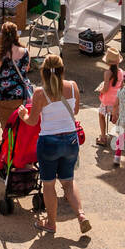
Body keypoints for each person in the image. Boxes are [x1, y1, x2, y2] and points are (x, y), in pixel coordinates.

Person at [22, 53, 91, 236]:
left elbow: (32, 121)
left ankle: (51, 223)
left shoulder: (39, 93)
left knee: (49, 184)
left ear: (43, 72)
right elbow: (74, 111)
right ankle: (81, 215)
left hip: (49, 142)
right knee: (68, 182)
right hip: (70, 139)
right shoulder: (72, 86)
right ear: (63, 70)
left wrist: (23, 115)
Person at [96, 48, 121, 147]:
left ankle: (103, 137)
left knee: (101, 115)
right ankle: (120, 139)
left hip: (107, 101)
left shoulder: (107, 73)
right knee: (117, 119)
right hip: (117, 101)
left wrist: (100, 90)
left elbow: (106, 89)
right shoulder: (121, 72)